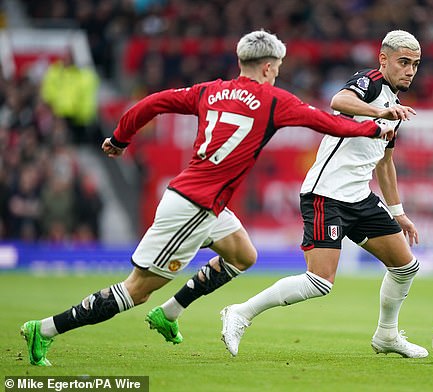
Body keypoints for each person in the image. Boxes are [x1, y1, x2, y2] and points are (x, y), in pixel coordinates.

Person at [20, 30, 394, 366]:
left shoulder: (209, 90)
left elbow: (152, 103)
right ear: (266, 67)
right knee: (136, 290)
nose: (278, 72)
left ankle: (171, 312)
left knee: (243, 255)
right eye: (277, 66)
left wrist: (120, 138)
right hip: (194, 208)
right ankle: (47, 329)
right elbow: (328, 122)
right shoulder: (275, 100)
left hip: (203, 202)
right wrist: (375, 125)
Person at [221, 30, 428, 359]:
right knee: (320, 282)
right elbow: (338, 101)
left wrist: (398, 211)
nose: (410, 71)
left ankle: (386, 335)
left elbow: (385, 161)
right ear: (384, 59)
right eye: (404, 62)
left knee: (405, 267)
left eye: (415, 64)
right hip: (326, 195)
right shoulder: (370, 82)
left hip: (359, 198)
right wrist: (379, 114)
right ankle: (240, 313)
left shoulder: (395, 105)